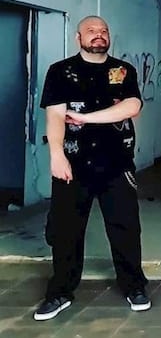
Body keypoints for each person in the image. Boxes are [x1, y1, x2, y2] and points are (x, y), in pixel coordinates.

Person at [34, 16, 149, 321]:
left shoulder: (123, 70)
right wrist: (56, 155)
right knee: (66, 231)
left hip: (117, 164)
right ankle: (60, 292)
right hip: (73, 164)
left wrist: (85, 118)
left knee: (125, 228)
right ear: (78, 38)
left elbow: (132, 106)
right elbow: (55, 116)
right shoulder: (60, 71)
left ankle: (134, 287)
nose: (98, 35)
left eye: (103, 31)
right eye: (91, 31)